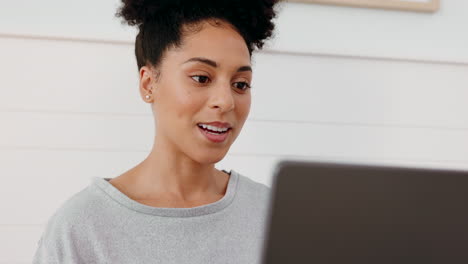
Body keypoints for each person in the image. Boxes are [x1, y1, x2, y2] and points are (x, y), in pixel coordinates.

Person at [33, 0, 279, 263]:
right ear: (149, 83)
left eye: (241, 84)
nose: (226, 100)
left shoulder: (273, 213)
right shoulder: (82, 228)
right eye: (201, 78)